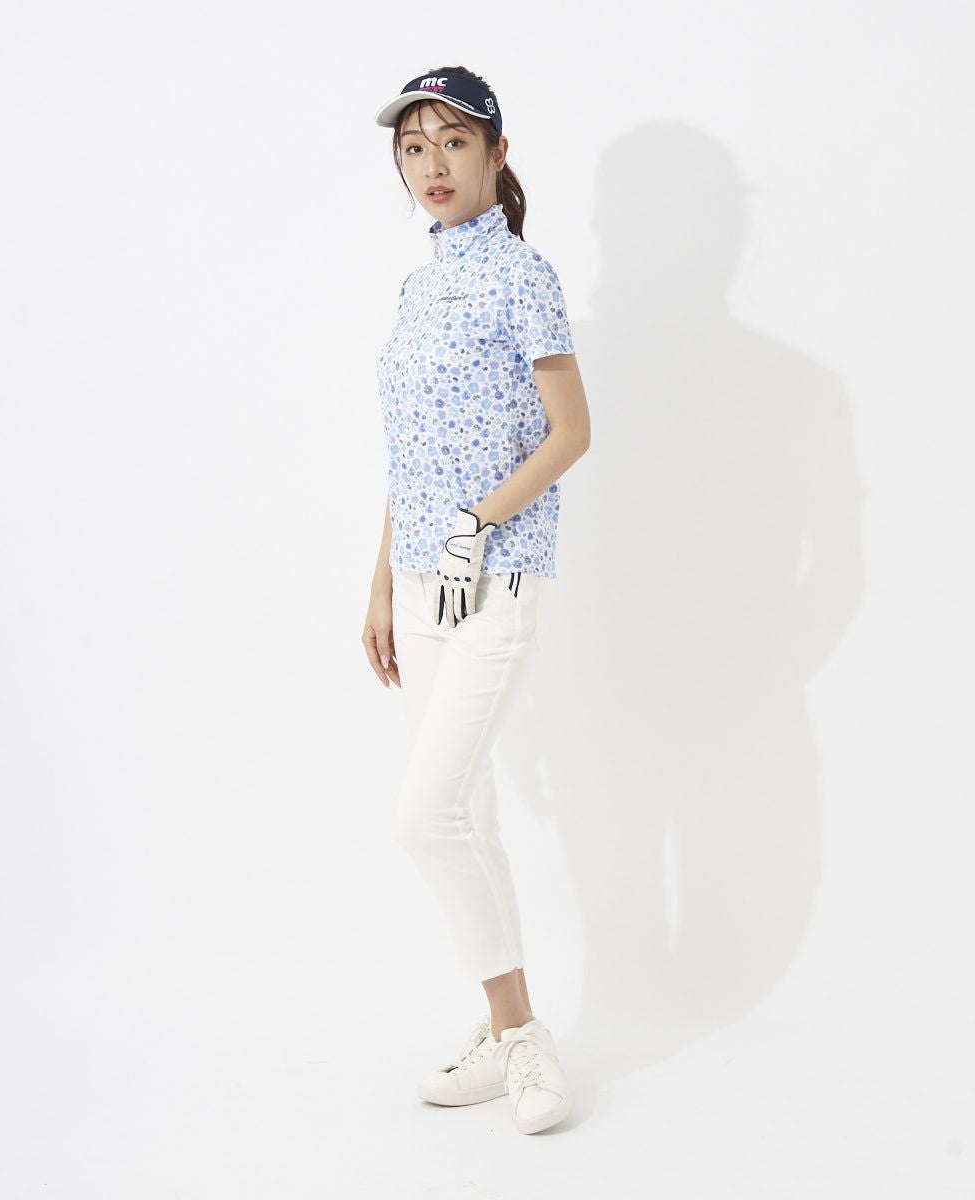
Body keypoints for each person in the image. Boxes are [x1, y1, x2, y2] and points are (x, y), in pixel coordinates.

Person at [362, 66, 591, 1136]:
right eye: (413, 147)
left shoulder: (523, 275)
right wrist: (381, 579)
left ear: (497, 154)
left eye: (453, 141)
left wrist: (472, 525)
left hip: (493, 575)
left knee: (425, 816)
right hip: (419, 583)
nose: (432, 165)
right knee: (470, 813)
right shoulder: (416, 290)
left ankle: (522, 1034)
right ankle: (509, 1032)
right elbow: (408, 454)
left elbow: (571, 433)